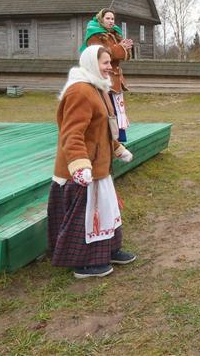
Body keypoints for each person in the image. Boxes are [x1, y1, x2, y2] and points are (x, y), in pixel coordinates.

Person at [48, 45, 136, 279]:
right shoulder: (79, 91)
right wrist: (79, 165)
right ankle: (84, 263)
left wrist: (117, 148)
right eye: (105, 63)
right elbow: (72, 133)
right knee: (87, 218)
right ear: (91, 64)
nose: (110, 67)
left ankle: (109, 251)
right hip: (84, 172)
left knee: (106, 211)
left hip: (100, 167)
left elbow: (102, 128)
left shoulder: (99, 88)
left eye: (110, 62)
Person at [82, 8, 133, 142]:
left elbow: (123, 56)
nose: (111, 21)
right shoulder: (94, 35)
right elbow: (99, 53)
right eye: (108, 18)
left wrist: (126, 49)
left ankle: (118, 140)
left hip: (115, 78)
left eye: (112, 19)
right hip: (102, 78)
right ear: (101, 19)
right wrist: (120, 48)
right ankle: (106, 139)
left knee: (117, 109)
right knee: (105, 110)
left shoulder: (115, 34)